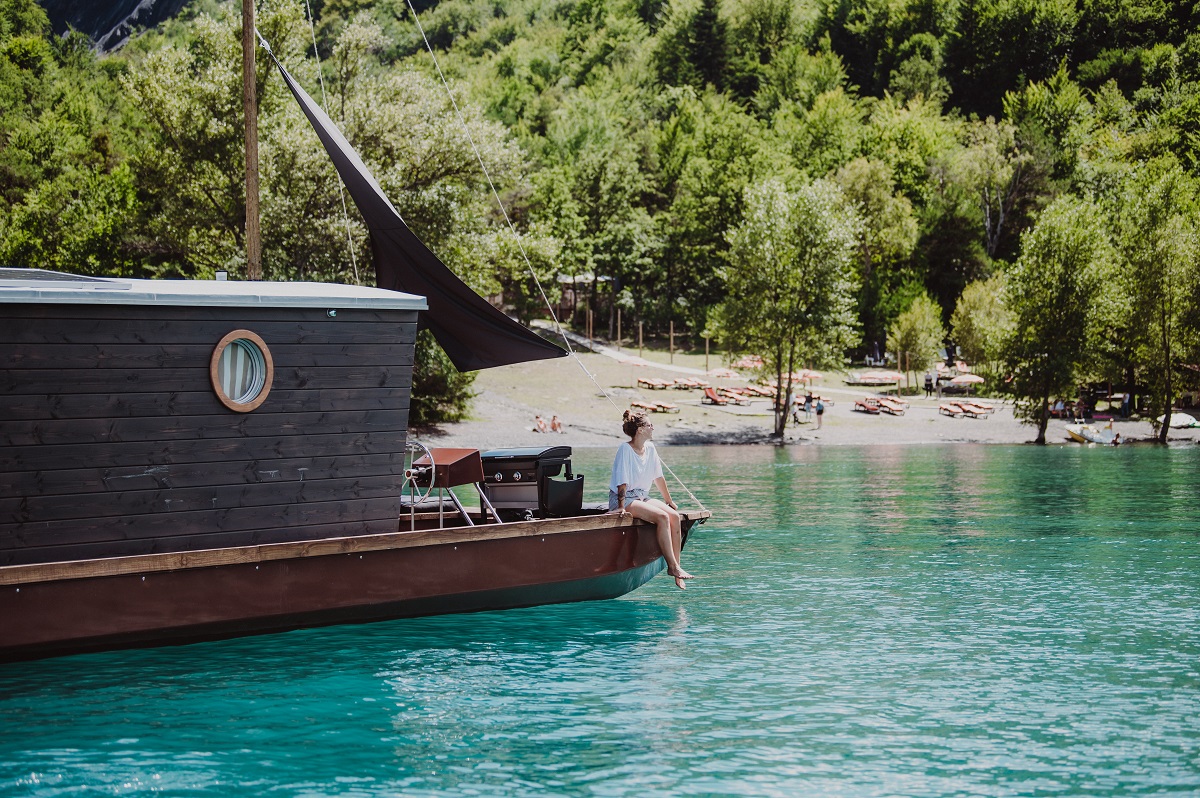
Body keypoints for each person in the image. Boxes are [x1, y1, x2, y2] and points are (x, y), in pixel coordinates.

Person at [609, 410, 693, 589]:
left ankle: (677, 568)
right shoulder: (625, 449)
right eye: (649, 425)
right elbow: (622, 480)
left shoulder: (651, 449)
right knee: (662, 518)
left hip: (642, 496)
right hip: (625, 498)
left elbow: (658, 477)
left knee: (674, 517)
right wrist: (621, 506)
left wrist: (668, 501)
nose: (652, 427)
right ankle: (672, 567)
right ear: (640, 430)